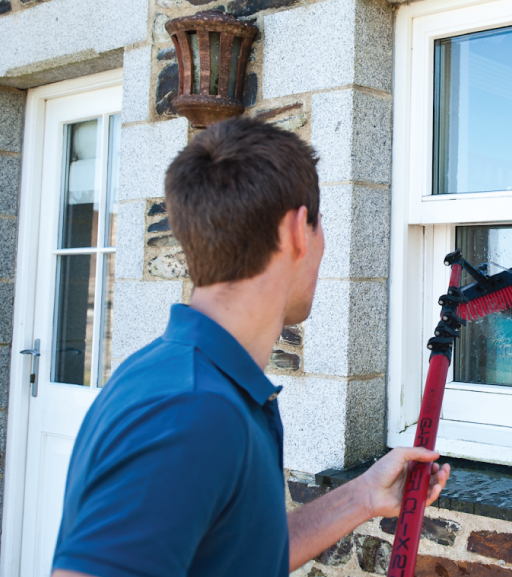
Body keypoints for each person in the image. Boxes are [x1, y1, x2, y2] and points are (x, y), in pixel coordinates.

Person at [51, 117, 450, 577]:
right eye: (322, 228)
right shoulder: (190, 412)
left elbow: (236, 556)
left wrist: (361, 496)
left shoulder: (183, 378)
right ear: (299, 231)